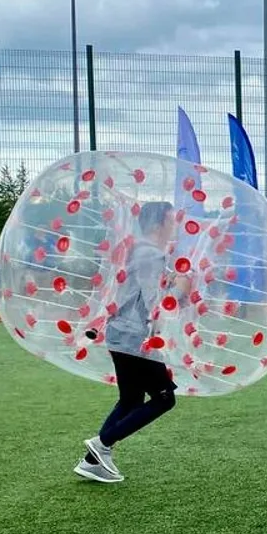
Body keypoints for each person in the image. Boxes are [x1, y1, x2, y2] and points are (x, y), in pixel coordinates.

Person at [75, 201, 189, 484]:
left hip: (120, 333)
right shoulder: (150, 254)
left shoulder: (136, 251)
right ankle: (102, 443)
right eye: (170, 221)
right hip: (135, 337)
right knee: (164, 398)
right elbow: (156, 303)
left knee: (131, 399)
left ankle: (92, 462)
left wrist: (169, 280)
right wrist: (181, 287)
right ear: (157, 224)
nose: (173, 226)